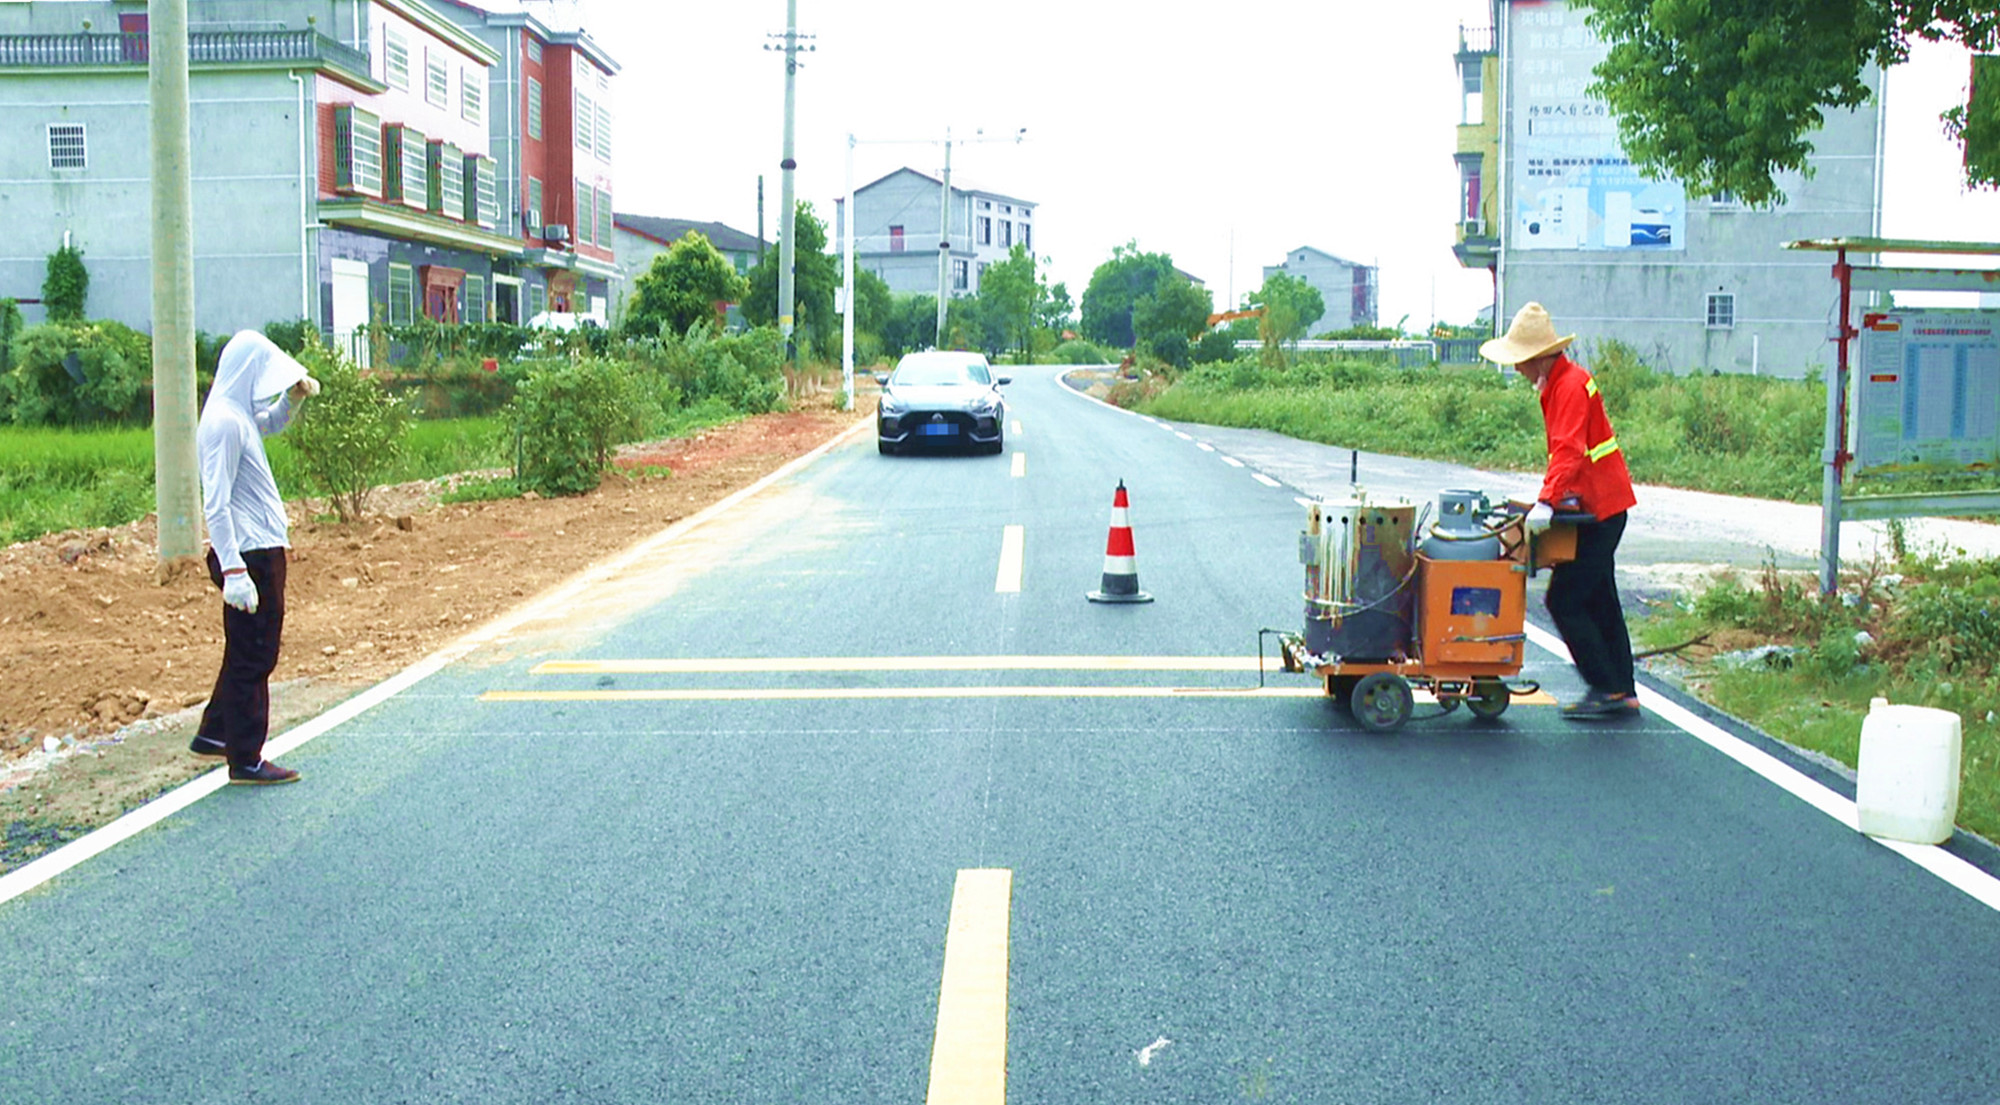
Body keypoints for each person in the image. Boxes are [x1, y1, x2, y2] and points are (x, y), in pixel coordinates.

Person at [1479, 303, 1640, 719]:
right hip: (1597, 507)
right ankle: (1621, 689)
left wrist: (1548, 500)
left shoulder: (1569, 386)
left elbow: (1568, 451)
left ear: (1539, 357)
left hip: (1600, 510)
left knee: (1565, 599)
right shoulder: (1561, 383)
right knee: (1601, 598)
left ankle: (1606, 687)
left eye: (1521, 362)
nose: (1517, 370)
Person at [189, 331, 320, 782]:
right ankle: (245, 757)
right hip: (249, 556)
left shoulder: (236, 413)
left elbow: (268, 423)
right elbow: (216, 503)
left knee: (245, 649)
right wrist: (233, 571)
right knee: (255, 655)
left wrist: (293, 399)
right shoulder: (223, 422)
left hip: (256, 552)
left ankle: (215, 732)